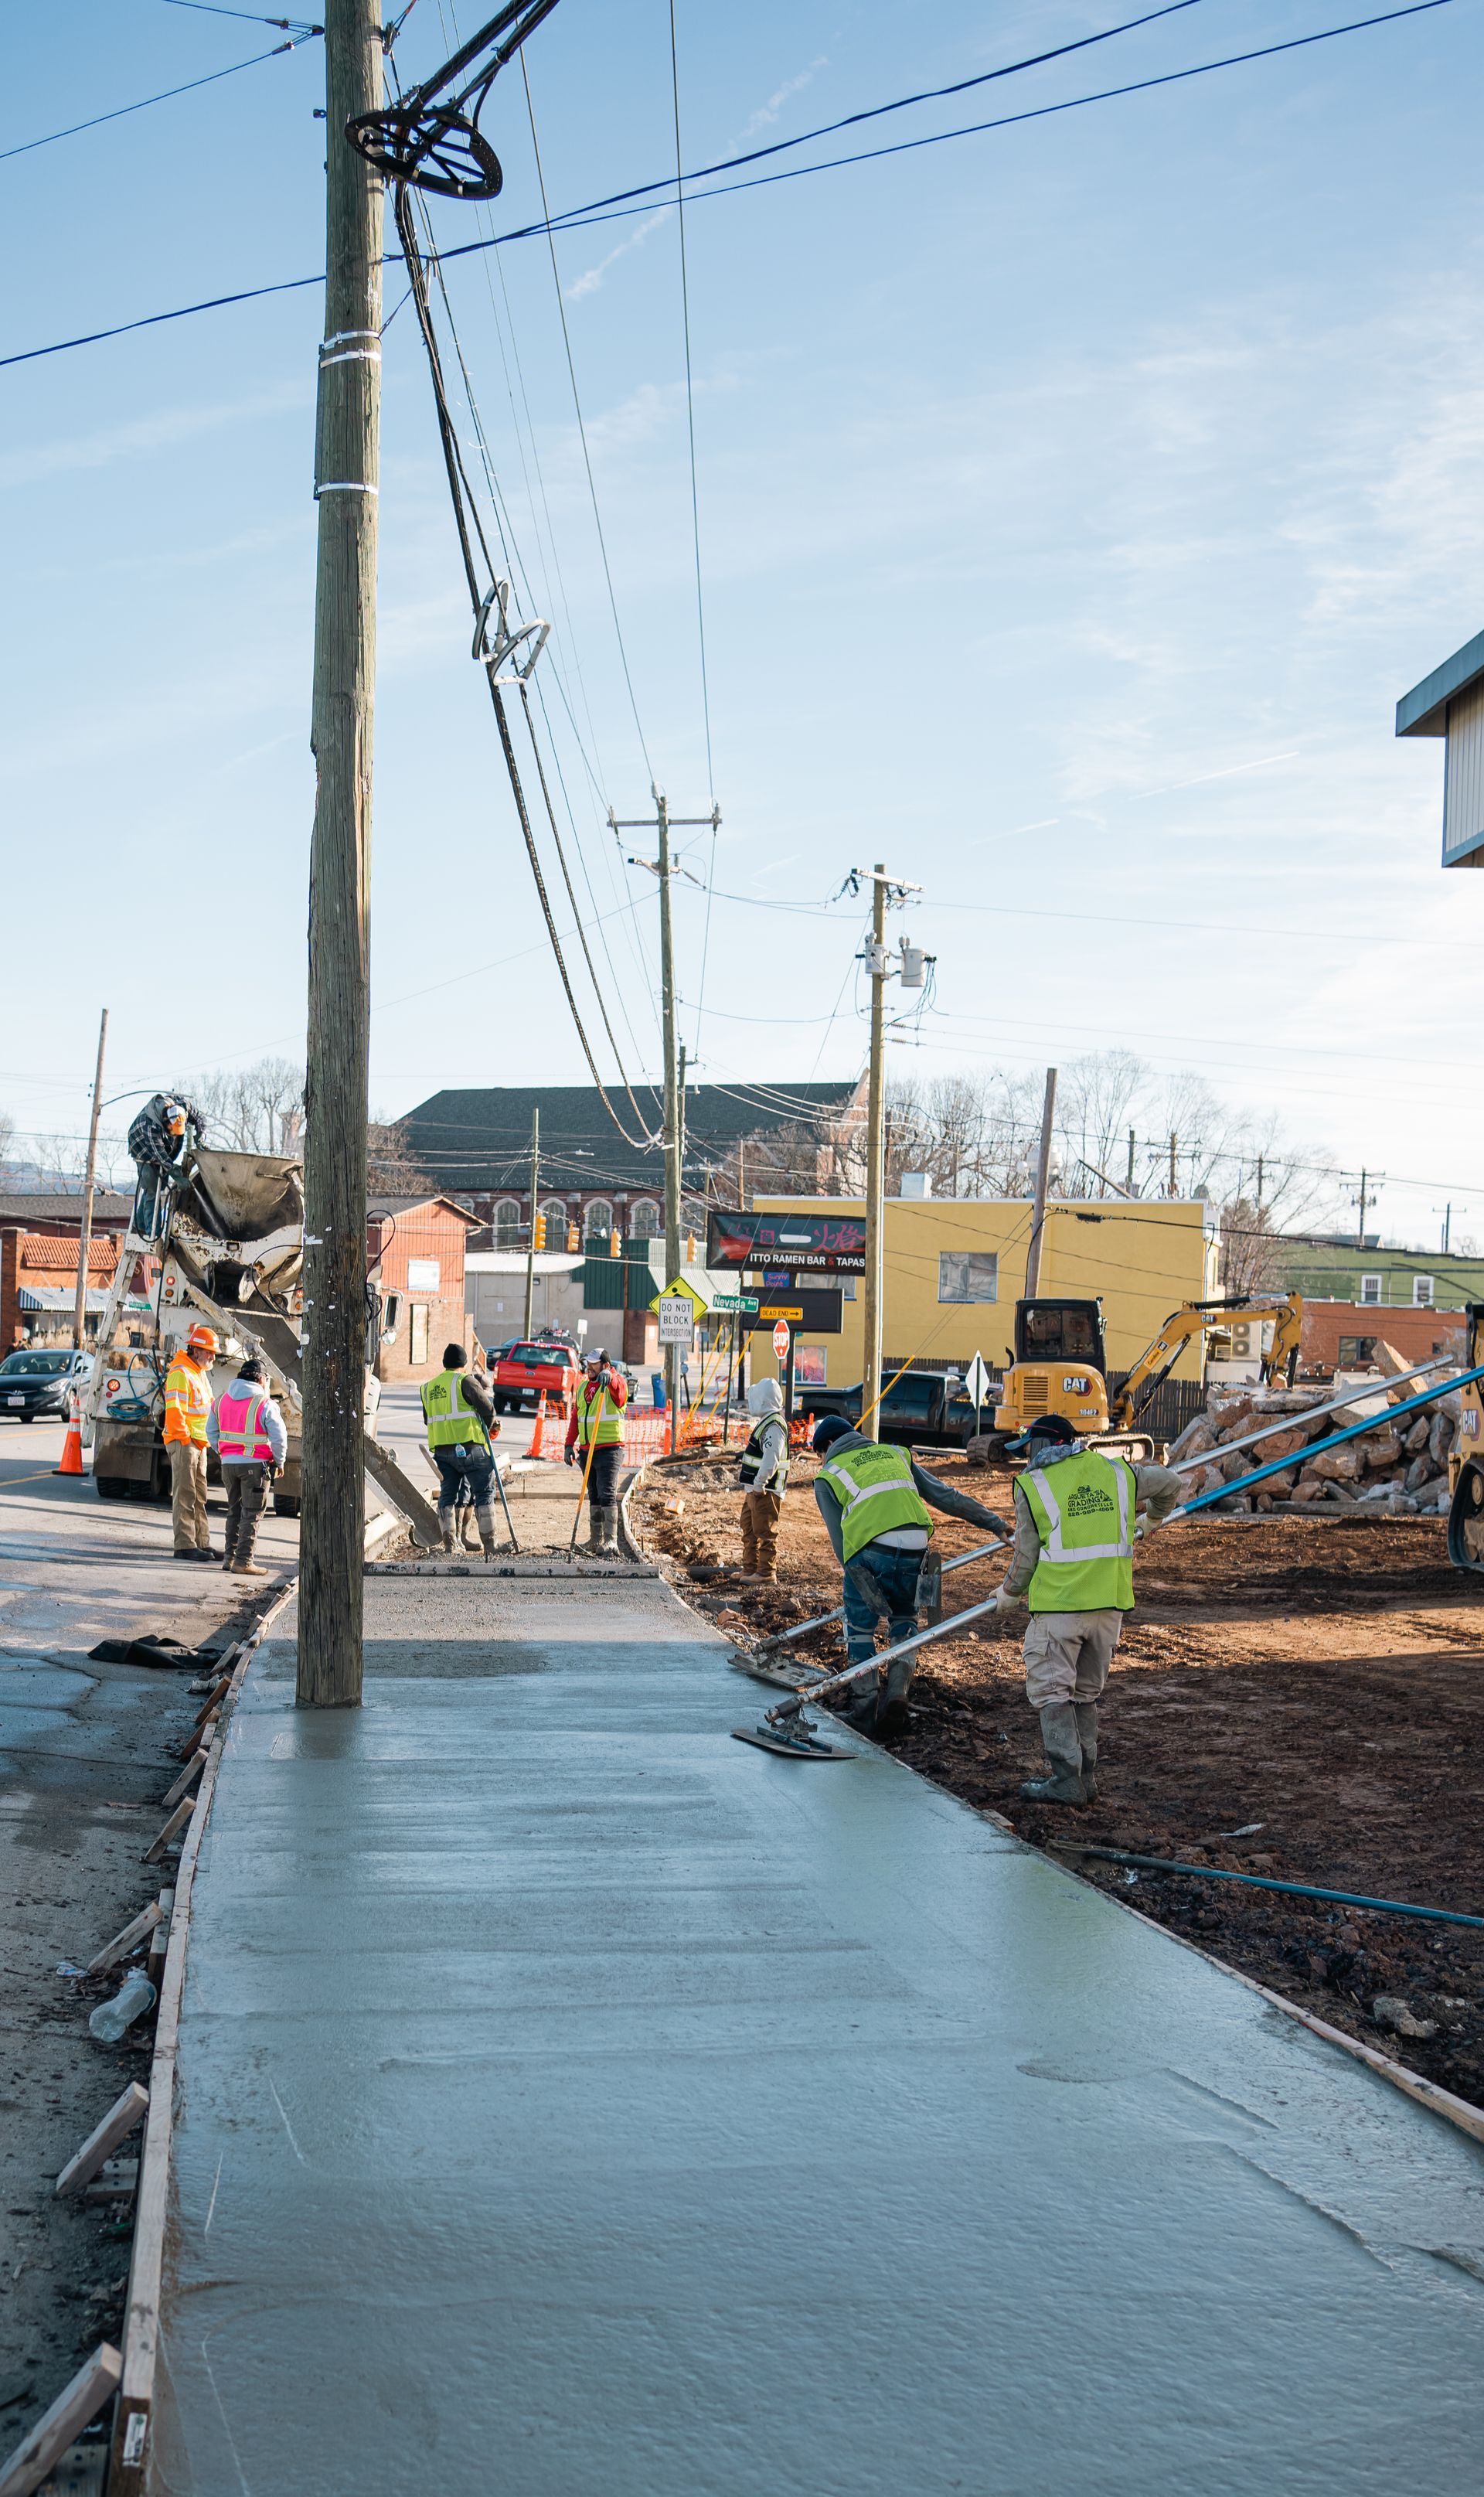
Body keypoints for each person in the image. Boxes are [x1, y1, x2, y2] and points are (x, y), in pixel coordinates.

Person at [993, 1413, 1181, 1804]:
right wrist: (1150, 1521)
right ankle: (1086, 1778)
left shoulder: (1033, 1485)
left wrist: (1009, 1593)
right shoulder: (1114, 1472)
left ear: (1043, 1447)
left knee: (1052, 1692)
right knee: (1083, 1695)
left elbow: (1026, 1556)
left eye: (1029, 1448)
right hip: (1109, 1609)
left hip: (1060, 1609)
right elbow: (1170, 1482)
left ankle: (1065, 1779)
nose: (1026, 1456)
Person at [811, 1413, 1007, 1732]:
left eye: (820, 1453)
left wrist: (861, 1587)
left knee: (860, 1628)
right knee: (904, 1621)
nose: (821, 1461)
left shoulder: (828, 1475)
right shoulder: (896, 1453)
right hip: (918, 1550)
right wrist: (995, 1524)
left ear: (829, 1445)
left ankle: (864, 1712)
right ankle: (897, 1694)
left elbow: (841, 1544)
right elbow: (946, 1496)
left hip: (871, 1553)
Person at [207, 1354, 287, 1577]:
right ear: (261, 1380)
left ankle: (229, 1557)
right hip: (255, 1466)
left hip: (228, 1466)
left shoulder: (221, 1400)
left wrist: (225, 1451)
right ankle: (243, 1561)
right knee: (251, 1513)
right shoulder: (264, 1404)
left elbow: (210, 1432)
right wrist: (279, 1461)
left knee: (234, 1510)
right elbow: (279, 1437)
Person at [420, 1343, 501, 1558]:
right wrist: (490, 1424)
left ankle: (450, 1544)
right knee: (484, 1492)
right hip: (470, 1447)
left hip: (443, 1452)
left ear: (444, 1363)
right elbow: (488, 1410)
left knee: (448, 1495)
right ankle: (490, 1545)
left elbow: (428, 1419)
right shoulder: (465, 1381)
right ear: (464, 1364)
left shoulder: (428, 1388)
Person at [564, 1347, 629, 1554]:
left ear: (606, 1365)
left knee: (607, 1494)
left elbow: (620, 1394)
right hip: (586, 1450)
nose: (589, 1367)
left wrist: (610, 1378)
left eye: (594, 1363)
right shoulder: (584, 1387)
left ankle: (611, 1541)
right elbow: (576, 1417)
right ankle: (595, 1539)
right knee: (594, 1495)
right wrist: (569, 1444)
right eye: (588, 1363)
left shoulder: (615, 1383)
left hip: (609, 1449)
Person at [164, 1323, 218, 1561]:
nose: (212, 1356)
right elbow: (174, 1411)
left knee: (199, 1495)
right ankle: (185, 1544)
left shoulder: (199, 1373)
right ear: (195, 1350)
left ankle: (202, 1543)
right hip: (184, 1442)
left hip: (198, 1443)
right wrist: (186, 1439)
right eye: (209, 1351)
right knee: (185, 1494)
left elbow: (208, 1408)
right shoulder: (181, 1373)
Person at [127, 1093, 204, 1241]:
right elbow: (161, 1156)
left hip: (163, 1145)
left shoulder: (183, 1107)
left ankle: (140, 1223)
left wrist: (201, 1134)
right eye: (172, 1129)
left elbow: (200, 1118)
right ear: (165, 1121)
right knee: (152, 1186)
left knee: (161, 1185)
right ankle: (152, 1232)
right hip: (142, 1148)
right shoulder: (150, 1126)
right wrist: (176, 1175)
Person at [737, 1378, 789, 1582]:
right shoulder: (767, 1422)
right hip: (755, 1489)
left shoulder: (774, 1425)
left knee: (765, 1531)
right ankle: (750, 1570)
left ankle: (766, 1573)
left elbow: (772, 1458)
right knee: (749, 1528)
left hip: (765, 1490)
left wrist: (760, 1483)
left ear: (764, 1400)